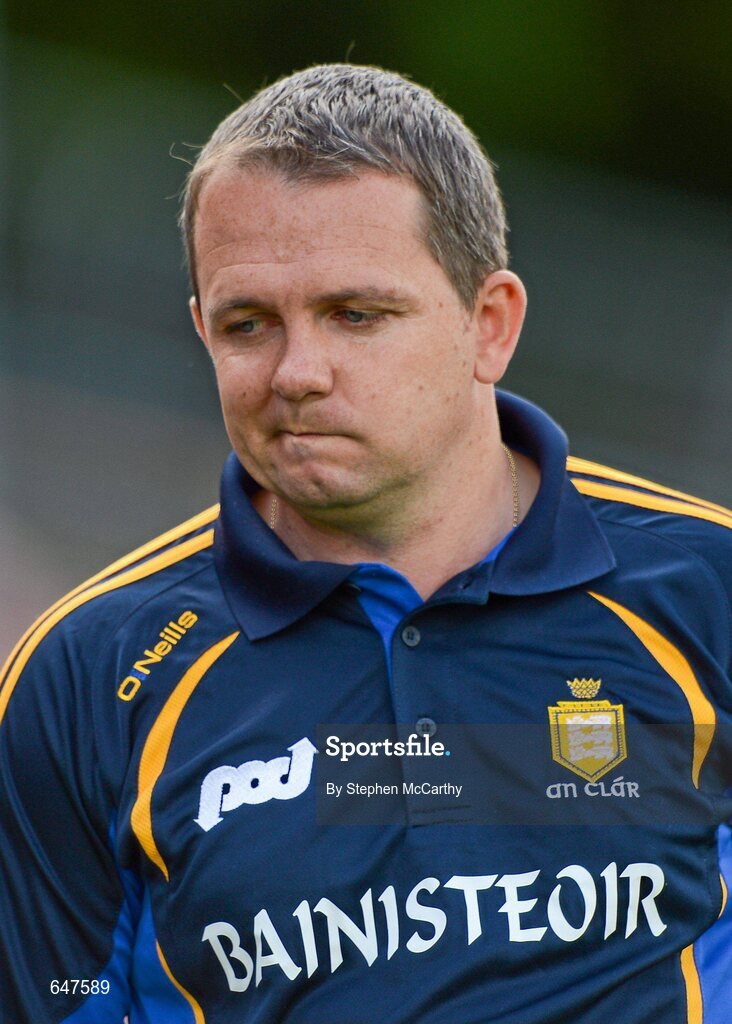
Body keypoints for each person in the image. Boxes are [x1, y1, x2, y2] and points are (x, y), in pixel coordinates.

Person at [1, 63, 731, 1024]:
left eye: (357, 315)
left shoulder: (706, 593)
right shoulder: (90, 676)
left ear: (489, 323)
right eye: (248, 324)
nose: (297, 373)